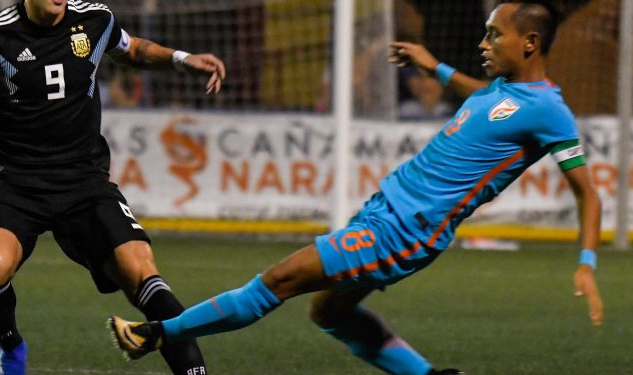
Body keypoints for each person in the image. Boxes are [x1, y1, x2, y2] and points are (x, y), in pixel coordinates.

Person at [107, 1, 603, 374]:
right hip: (383, 212)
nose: (484, 43)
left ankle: (155, 333)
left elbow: (587, 192)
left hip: (406, 229)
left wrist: (586, 263)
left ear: (530, 43)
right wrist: (434, 67)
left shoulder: (551, 112)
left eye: (495, 36)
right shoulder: (506, 90)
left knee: (279, 281)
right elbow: (483, 97)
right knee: (329, 312)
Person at [0, 1, 225, 374]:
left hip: (85, 181)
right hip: (17, 182)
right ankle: (11, 346)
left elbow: (133, 49)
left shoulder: (94, 18)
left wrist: (181, 59)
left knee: (141, 270)